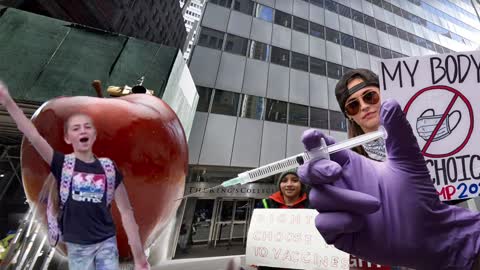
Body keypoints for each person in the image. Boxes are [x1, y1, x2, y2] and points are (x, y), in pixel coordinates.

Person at [297, 68, 480, 269]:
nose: (364, 106)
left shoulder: (438, 137)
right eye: (353, 106)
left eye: (370, 96)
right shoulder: (351, 170)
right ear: (350, 117)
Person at [0, 81, 150, 270]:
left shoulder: (109, 169)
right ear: (67, 138)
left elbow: (127, 212)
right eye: (76, 128)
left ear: (94, 135)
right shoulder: (63, 164)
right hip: (78, 246)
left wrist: (139, 258)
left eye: (87, 127)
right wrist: (7, 102)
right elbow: (33, 135)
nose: (82, 131)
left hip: (106, 242)